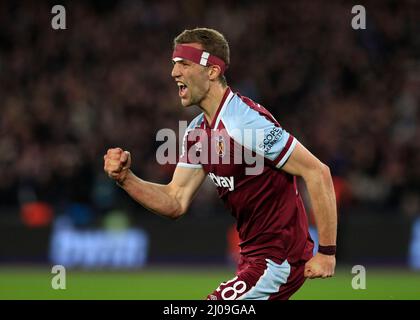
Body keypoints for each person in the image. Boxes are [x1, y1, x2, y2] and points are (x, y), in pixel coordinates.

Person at [104, 27, 337, 300]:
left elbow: (317, 171)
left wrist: (327, 253)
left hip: (278, 258)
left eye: (184, 64)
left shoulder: (244, 122)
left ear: (212, 71)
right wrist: (126, 179)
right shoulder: (197, 132)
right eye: (174, 64)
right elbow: (175, 200)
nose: (174, 73)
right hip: (252, 256)